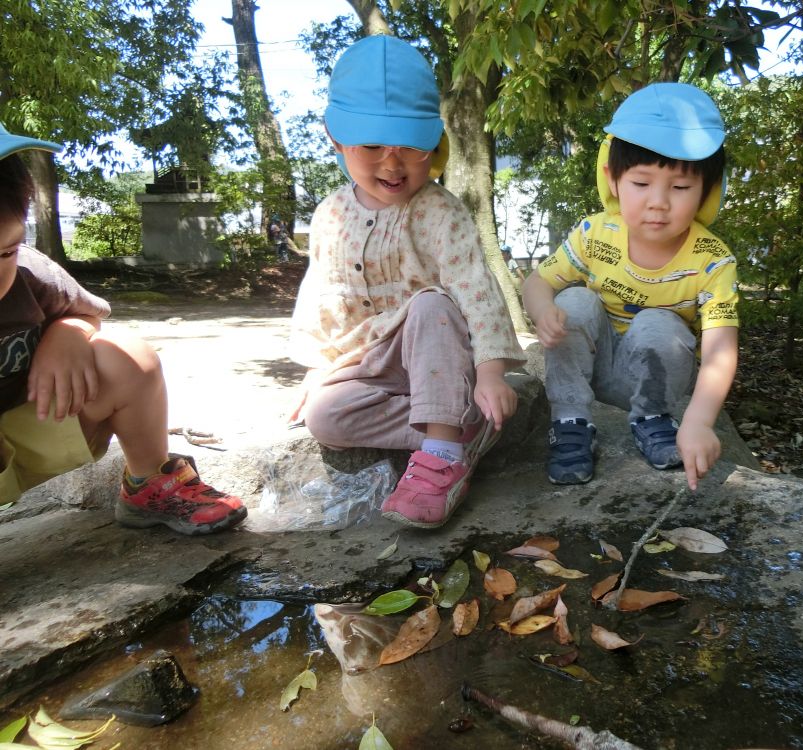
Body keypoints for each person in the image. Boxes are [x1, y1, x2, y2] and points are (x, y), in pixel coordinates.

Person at [288, 36, 524, 529]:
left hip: (440, 354)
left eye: (410, 148)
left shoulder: (441, 211)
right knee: (324, 418)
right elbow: (319, 296)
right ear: (336, 137)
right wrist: (316, 371)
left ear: (433, 146)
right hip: (370, 365)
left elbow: (476, 290)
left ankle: (441, 454)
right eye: (372, 146)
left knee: (431, 304)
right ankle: (463, 428)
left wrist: (491, 373)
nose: (391, 164)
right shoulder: (330, 215)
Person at [0, 123, 246, 534]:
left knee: (125, 355)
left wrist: (70, 332)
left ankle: (149, 482)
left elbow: (87, 314)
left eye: (5, 250)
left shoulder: (32, 275)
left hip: (30, 431)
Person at [521, 83, 738, 491]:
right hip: (591, 364)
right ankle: (570, 421)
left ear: (709, 190)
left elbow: (720, 349)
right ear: (613, 179)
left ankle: (654, 420)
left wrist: (699, 420)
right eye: (641, 183)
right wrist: (542, 310)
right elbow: (538, 282)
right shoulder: (595, 233)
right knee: (573, 300)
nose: (659, 202)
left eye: (679, 187)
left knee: (661, 321)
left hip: (655, 376)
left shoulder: (712, 259)